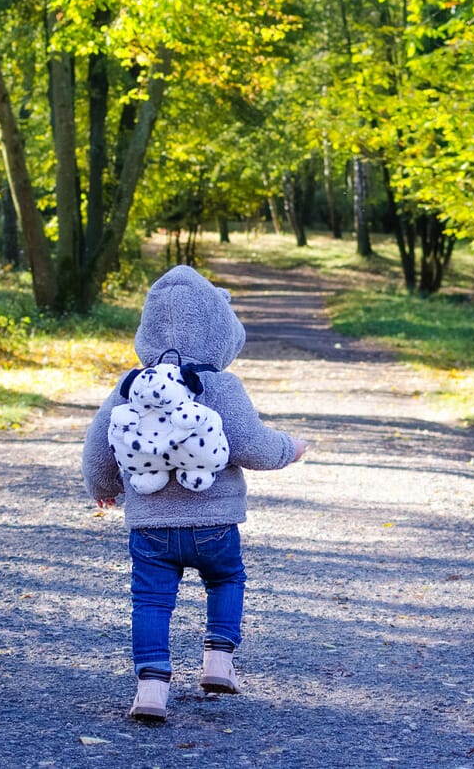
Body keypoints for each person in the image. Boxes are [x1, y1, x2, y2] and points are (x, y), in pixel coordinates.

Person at [82, 265, 307, 723]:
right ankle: (219, 661)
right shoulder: (220, 385)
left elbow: (99, 446)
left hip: (150, 526)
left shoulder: (132, 385)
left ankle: (150, 690)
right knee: (226, 580)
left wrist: (103, 488)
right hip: (214, 523)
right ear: (218, 329)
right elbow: (252, 445)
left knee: (150, 601)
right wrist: (290, 448)